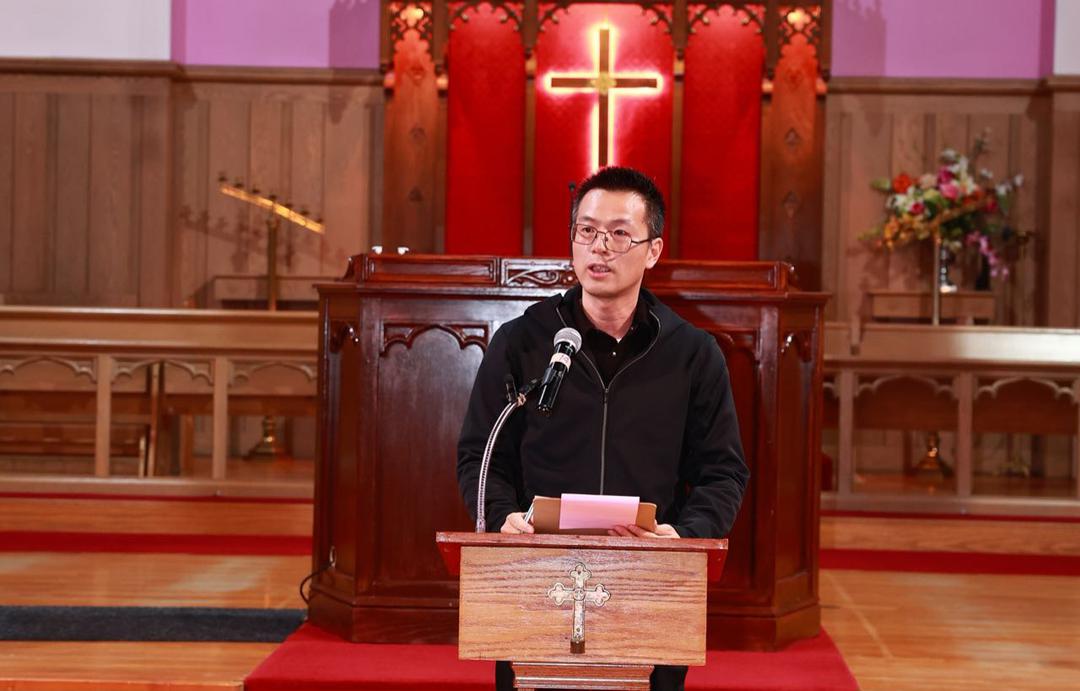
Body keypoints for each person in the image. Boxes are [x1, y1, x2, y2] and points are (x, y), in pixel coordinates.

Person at [456, 166, 749, 691]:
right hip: (536, 571)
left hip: (649, 573)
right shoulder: (523, 342)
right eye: (587, 230)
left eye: (619, 233)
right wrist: (501, 517)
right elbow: (481, 454)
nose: (600, 247)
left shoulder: (692, 354)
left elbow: (723, 472)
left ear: (653, 250)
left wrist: (683, 537)